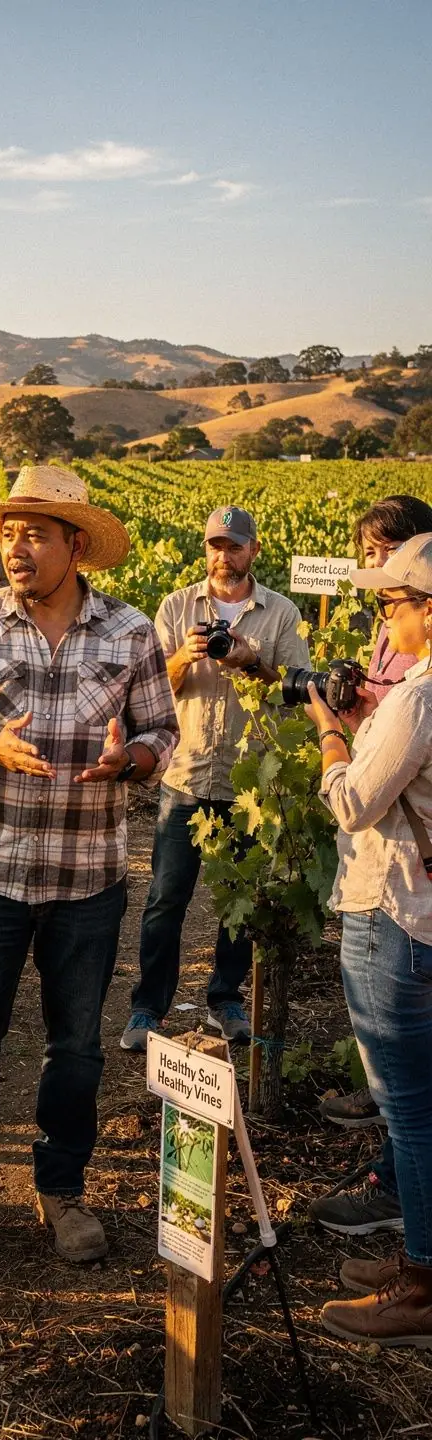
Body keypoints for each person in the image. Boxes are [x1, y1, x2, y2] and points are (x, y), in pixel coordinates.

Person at [0, 466, 178, 1271]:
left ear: (76, 545)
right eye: (9, 533)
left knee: (77, 1047)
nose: (16, 548)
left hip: (88, 876)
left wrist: (128, 759)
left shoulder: (129, 632)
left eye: (36, 533)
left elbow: (162, 736)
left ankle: (62, 1191)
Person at [302, 533, 432, 1347]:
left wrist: (331, 733)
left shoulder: (420, 698)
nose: (382, 612)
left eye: (392, 600)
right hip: (425, 915)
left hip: (394, 914)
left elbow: (352, 804)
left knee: (410, 1112)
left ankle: (421, 1285)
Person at [121, 506, 310, 1051]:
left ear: (253, 550)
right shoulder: (177, 607)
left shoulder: (280, 613)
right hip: (185, 773)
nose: (222, 556)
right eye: (214, 546)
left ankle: (225, 997)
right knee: (164, 898)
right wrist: (185, 654)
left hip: (249, 782)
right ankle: (147, 1007)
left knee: (239, 900)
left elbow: (291, 692)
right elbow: (151, 689)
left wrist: (251, 660)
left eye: (233, 546)